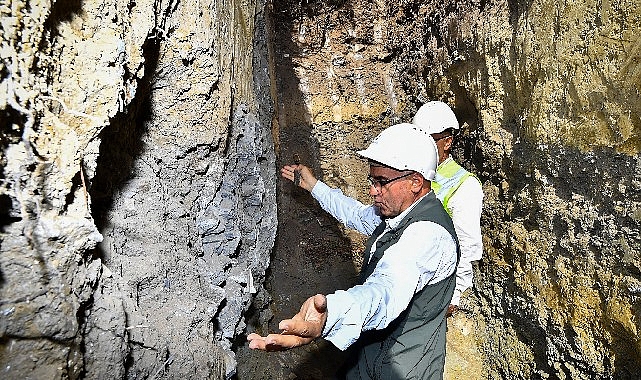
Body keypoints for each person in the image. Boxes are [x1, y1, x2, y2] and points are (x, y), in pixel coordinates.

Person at [247, 123, 459, 379]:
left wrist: (332, 313)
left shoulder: (427, 235)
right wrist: (314, 186)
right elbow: (356, 215)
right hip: (370, 356)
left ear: (415, 181)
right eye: (373, 180)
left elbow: (385, 291)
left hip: (404, 369)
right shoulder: (398, 213)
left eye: (382, 182)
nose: (372, 190)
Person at [412, 101, 483, 314]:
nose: (421, 146)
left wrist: (456, 294)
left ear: (448, 142)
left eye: (429, 140)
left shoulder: (464, 185)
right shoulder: (414, 175)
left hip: (438, 289)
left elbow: (468, 245)